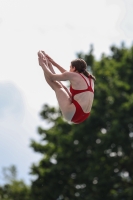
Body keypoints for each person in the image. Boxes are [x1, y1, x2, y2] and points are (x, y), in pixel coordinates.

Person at [37, 51, 95, 124]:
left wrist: (42, 64)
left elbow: (51, 77)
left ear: (74, 68)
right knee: (63, 87)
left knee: (58, 87)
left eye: (70, 67)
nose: (69, 69)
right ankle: (49, 64)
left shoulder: (74, 76)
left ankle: (46, 64)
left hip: (74, 113)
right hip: (84, 115)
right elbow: (67, 74)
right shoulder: (90, 78)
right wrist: (53, 63)